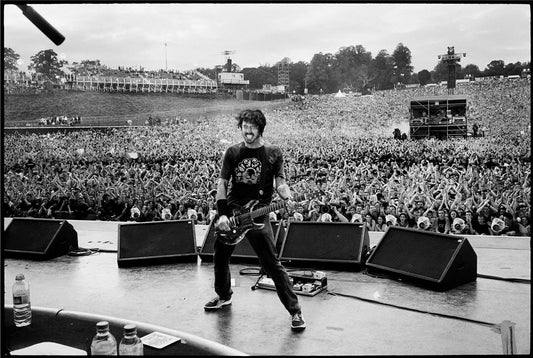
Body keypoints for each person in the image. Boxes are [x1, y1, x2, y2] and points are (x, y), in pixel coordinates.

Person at [204, 109, 306, 331]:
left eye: (251, 126)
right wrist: (222, 213)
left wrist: (287, 197)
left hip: (258, 214)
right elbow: (222, 183)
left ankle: (295, 311)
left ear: (260, 128)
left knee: (271, 264)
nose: (247, 130)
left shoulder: (273, 153)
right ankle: (224, 296)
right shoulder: (232, 152)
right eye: (244, 126)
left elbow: (280, 182)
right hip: (233, 212)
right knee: (220, 257)